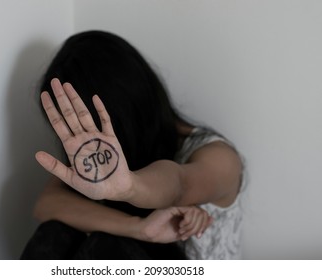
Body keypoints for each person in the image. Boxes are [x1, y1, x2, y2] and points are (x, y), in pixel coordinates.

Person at [20, 30, 245, 260]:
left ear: (119, 112)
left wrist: (130, 187)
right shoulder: (97, 155)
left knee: (108, 246)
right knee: (54, 234)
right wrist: (139, 228)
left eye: (85, 125)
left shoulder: (219, 157)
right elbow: (47, 203)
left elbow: (179, 185)